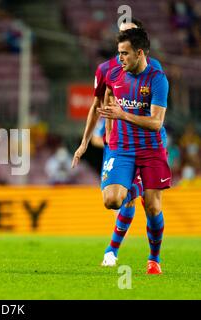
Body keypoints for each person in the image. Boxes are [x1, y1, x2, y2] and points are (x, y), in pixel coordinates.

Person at [72, 19, 163, 268]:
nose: (123, 36)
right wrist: (85, 142)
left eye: (128, 33)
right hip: (119, 144)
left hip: (147, 143)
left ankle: (119, 252)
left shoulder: (153, 70)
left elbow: (156, 115)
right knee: (116, 200)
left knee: (151, 206)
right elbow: (97, 106)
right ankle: (113, 249)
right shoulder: (106, 70)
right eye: (121, 33)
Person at [98, 28, 170, 275]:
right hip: (123, 149)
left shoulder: (157, 78)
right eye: (119, 53)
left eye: (125, 53)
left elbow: (156, 122)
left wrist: (122, 115)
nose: (120, 59)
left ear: (139, 53)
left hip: (151, 149)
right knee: (113, 200)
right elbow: (106, 95)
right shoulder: (114, 74)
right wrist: (107, 128)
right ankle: (134, 187)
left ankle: (154, 258)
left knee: (152, 207)